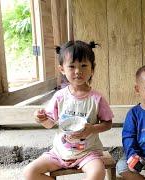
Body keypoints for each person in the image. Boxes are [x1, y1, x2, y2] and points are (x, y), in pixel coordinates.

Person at [23, 40, 114, 180]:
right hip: (60, 152)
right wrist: (40, 118)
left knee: (97, 172)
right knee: (29, 173)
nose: (78, 71)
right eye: (72, 66)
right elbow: (49, 124)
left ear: (92, 68)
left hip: (88, 153)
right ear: (62, 69)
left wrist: (92, 129)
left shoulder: (97, 98)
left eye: (84, 65)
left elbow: (108, 123)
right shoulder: (60, 97)